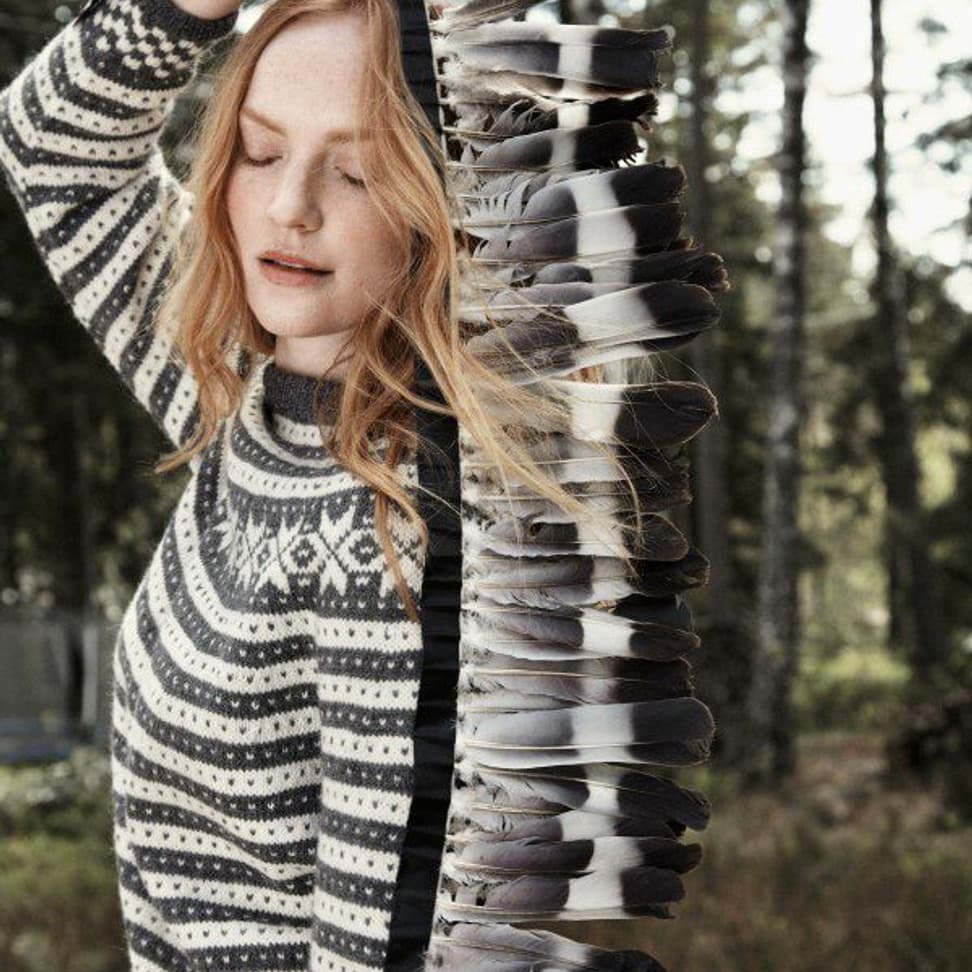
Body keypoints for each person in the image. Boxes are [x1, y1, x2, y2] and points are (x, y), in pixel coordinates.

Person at [0, 1, 724, 970]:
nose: (290, 206)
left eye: (356, 171)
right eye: (260, 151)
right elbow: (51, 147)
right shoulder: (241, 391)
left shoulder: (407, 530)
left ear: (447, 203)